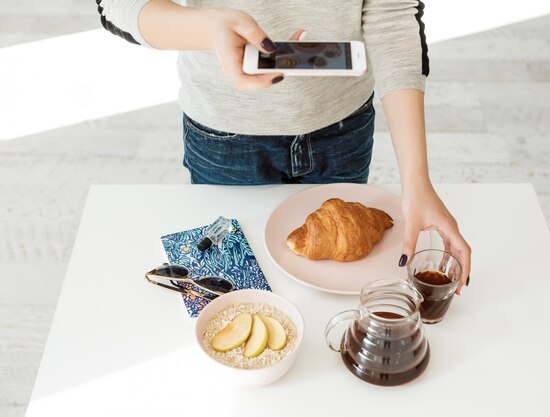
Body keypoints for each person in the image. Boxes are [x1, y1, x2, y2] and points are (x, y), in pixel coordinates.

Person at [96, 0, 471, 291]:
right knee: (232, 288)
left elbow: (391, 15)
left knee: (331, 291)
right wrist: (208, 28)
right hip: (224, 139)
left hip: (343, 128)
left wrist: (417, 181)